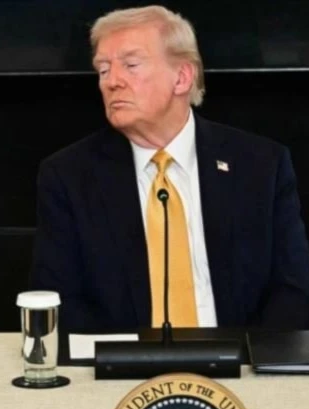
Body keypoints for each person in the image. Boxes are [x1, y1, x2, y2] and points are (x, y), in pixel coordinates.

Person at [29, 5, 309, 332]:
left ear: (182, 77)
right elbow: (59, 298)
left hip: (239, 369)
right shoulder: (69, 176)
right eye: (103, 69)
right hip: (122, 374)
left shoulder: (261, 165)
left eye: (130, 65)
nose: (111, 82)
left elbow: (294, 288)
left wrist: (248, 365)